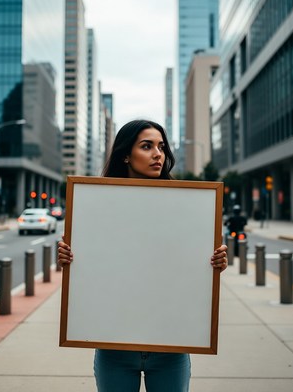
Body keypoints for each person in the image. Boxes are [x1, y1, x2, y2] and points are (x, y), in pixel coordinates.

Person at [58, 119, 228, 392]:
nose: (158, 154)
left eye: (161, 147)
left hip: (170, 347)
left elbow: (186, 267)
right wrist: (69, 257)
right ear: (126, 154)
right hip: (114, 346)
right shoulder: (97, 205)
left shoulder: (186, 206)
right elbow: (95, 270)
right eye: (147, 146)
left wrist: (215, 261)